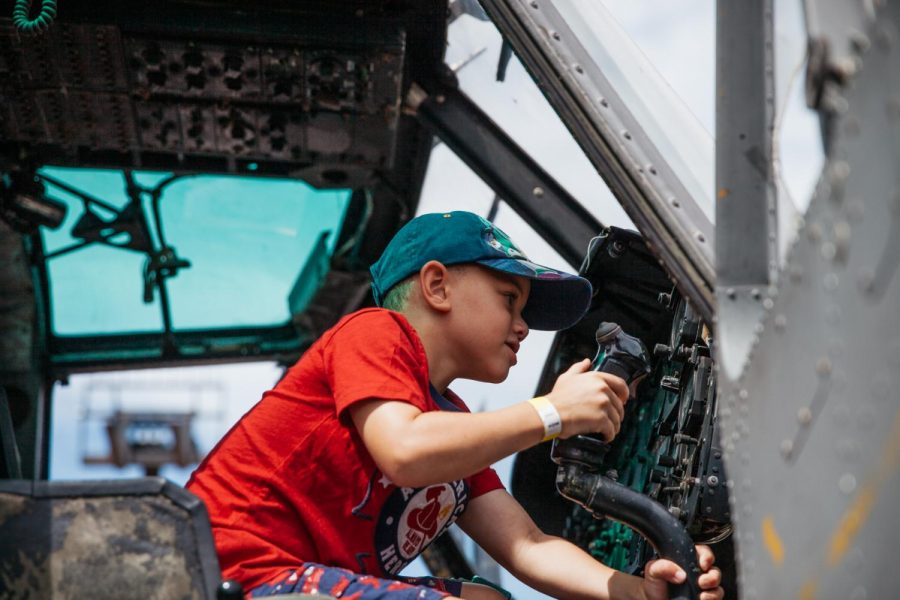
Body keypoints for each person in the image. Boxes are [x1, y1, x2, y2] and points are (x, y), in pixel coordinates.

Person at [187, 211, 723, 600]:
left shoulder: (453, 429)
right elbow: (404, 450)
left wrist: (636, 592)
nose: (522, 327)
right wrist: (552, 413)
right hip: (221, 575)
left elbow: (528, 546)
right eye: (509, 299)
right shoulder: (375, 333)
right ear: (437, 286)